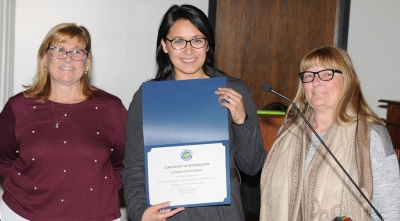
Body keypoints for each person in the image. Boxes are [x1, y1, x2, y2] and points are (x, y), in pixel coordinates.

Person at [122, 4, 265, 221]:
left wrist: (240, 119)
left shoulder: (233, 90)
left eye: (197, 40)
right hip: (167, 214)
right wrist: (140, 212)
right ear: (164, 45)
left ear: (207, 45)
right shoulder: (147, 97)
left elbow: (252, 167)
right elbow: (134, 167)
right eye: (178, 41)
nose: (189, 51)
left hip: (222, 213)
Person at [0, 23, 127, 221]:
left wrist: (95, 195)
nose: (68, 57)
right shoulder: (18, 107)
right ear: (44, 57)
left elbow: (124, 163)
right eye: (59, 50)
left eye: (77, 51)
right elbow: (4, 160)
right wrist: (33, 194)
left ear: (87, 62)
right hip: (22, 215)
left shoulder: (112, 108)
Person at [260, 46, 400, 220]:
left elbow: (391, 212)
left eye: (327, 74)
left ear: (348, 81)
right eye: (309, 75)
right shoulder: (287, 131)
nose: (316, 82)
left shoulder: (371, 136)